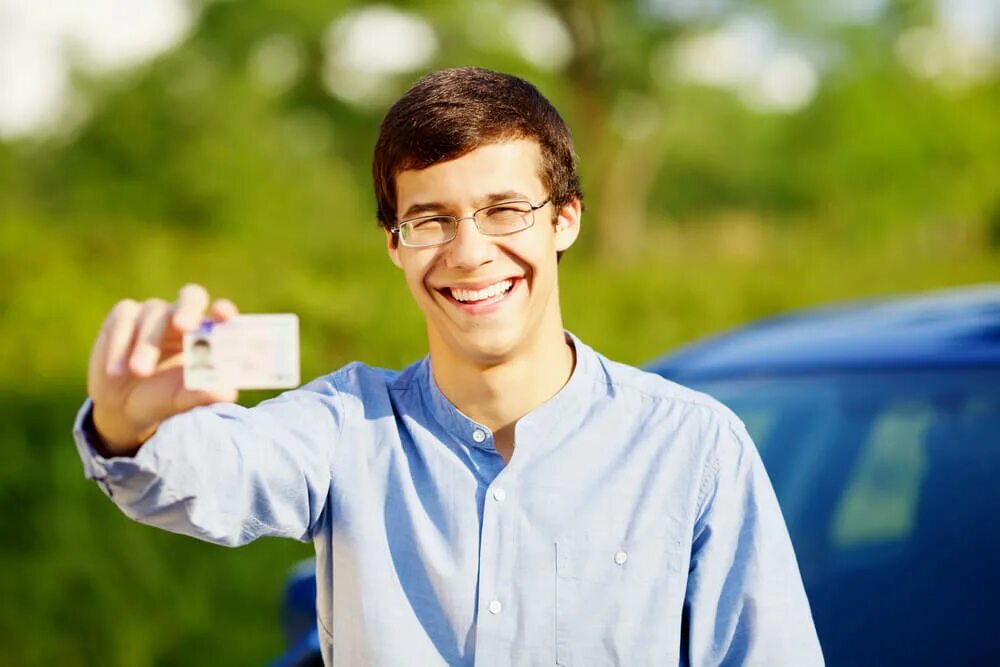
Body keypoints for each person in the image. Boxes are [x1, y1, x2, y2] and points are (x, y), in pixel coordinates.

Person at [73, 67, 823, 666]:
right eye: (431, 219)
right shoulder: (345, 430)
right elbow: (213, 469)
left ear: (565, 218)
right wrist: (127, 424)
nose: (469, 253)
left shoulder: (692, 448)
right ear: (394, 243)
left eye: (505, 210)